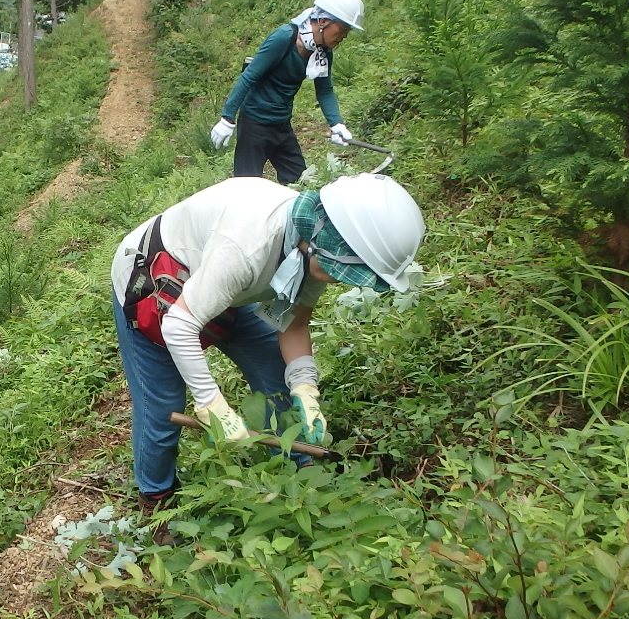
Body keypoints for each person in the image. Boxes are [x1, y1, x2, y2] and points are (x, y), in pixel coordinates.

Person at [111, 172, 424, 512]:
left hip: (221, 284)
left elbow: (293, 321)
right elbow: (179, 326)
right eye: (339, 271)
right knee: (162, 407)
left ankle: (295, 467)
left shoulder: (311, 246)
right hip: (154, 278)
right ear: (318, 242)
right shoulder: (247, 245)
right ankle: (156, 499)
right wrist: (211, 403)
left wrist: (306, 388)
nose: (337, 279)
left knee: (277, 372)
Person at [209, 0, 366, 185]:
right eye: (343, 29)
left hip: (281, 126)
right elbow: (250, 76)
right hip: (254, 125)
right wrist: (227, 118)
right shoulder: (284, 37)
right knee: (245, 189)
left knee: (300, 184)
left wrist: (337, 124)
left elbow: (324, 90)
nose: (344, 36)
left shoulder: (322, 53)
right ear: (324, 21)